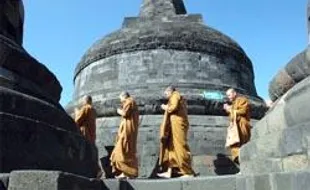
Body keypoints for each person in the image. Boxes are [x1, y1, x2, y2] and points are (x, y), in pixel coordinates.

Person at [157, 86, 195, 178]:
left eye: (166, 94)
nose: (166, 96)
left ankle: (187, 171)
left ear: (169, 91)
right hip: (173, 125)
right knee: (171, 148)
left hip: (178, 124)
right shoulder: (174, 96)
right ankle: (170, 170)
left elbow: (173, 107)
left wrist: (165, 107)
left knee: (180, 146)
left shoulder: (175, 95)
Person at [110, 92, 139, 179]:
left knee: (121, 151)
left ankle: (129, 172)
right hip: (128, 130)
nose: (121, 101)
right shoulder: (131, 102)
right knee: (126, 151)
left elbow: (126, 113)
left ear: (124, 97)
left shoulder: (129, 102)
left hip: (127, 131)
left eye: (121, 99)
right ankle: (126, 173)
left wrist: (119, 111)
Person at [223, 88, 251, 164]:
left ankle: (246, 164)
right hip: (235, 127)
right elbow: (232, 116)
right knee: (235, 146)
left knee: (243, 145)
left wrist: (230, 110)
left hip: (242, 125)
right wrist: (229, 109)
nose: (228, 97)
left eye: (229, 95)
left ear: (234, 93)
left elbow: (243, 111)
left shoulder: (242, 100)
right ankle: (241, 164)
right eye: (227, 95)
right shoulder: (233, 104)